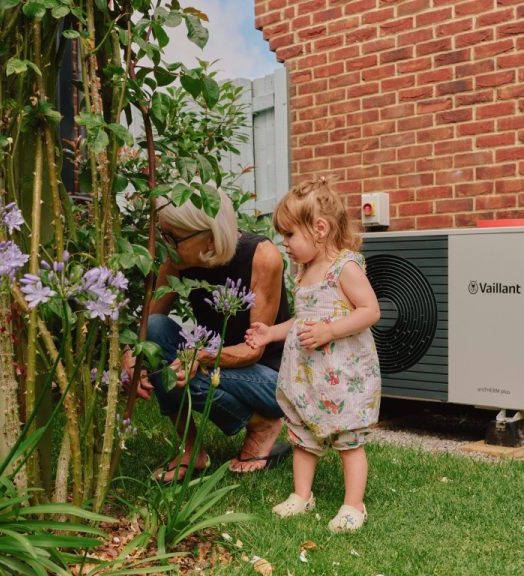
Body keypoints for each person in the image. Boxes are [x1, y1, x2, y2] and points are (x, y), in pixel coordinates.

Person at [245, 177, 382, 532]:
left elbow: (370, 310)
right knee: (303, 436)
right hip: (309, 377)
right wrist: (271, 332)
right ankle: (302, 495)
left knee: (348, 441)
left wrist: (330, 330)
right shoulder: (303, 272)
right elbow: (300, 320)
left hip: (343, 377)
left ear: (319, 229)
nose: (284, 244)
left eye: (289, 235)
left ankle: (354, 504)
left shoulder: (344, 268)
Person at [133, 189, 291, 481]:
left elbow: (253, 349)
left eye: (174, 239)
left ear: (210, 237)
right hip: (216, 364)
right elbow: (150, 323)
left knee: (176, 370)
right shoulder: (178, 259)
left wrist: (200, 356)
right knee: (156, 332)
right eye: (163, 235)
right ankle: (190, 450)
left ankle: (262, 423)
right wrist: (134, 357)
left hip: (270, 378)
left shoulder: (262, 257)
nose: (166, 247)